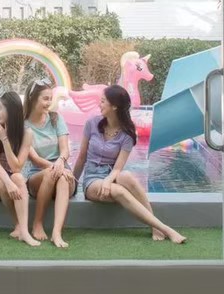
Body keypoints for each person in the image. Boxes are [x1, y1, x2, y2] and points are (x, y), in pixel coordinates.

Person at [72, 84, 187, 245]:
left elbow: (118, 168)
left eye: (103, 101)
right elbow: (81, 157)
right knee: (119, 191)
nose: (99, 104)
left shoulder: (127, 134)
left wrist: (108, 180)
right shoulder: (92, 123)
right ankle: (166, 229)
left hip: (111, 174)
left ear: (114, 106)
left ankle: (154, 226)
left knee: (127, 176)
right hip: (92, 179)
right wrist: (72, 184)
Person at [0, 91, 38, 247]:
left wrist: (4, 139)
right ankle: (19, 226)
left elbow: (16, 167)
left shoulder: (27, 133)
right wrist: (9, 183)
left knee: (17, 177)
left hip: (11, 177)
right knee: (7, 182)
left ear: (11, 109)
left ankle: (23, 231)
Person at [23, 80, 77, 249]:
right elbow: (35, 159)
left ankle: (56, 232)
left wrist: (60, 162)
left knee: (62, 178)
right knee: (50, 174)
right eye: (45, 99)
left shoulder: (55, 118)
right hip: (37, 174)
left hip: (62, 169)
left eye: (50, 99)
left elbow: (65, 150)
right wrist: (56, 168)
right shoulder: (23, 125)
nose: (49, 103)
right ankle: (37, 223)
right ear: (33, 99)